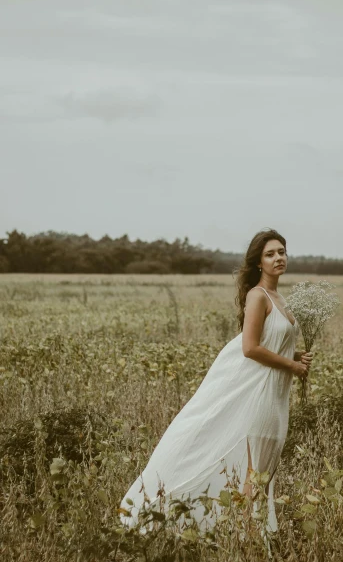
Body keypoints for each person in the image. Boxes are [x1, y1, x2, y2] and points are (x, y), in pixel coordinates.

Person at [119, 228, 312, 534]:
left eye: (282, 252)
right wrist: (291, 365)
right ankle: (251, 540)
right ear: (259, 262)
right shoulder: (257, 296)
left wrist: (296, 355)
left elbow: (271, 341)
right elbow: (250, 348)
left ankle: (255, 537)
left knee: (266, 468)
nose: (279, 258)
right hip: (260, 395)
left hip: (277, 395)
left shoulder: (280, 298)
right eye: (270, 254)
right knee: (256, 473)